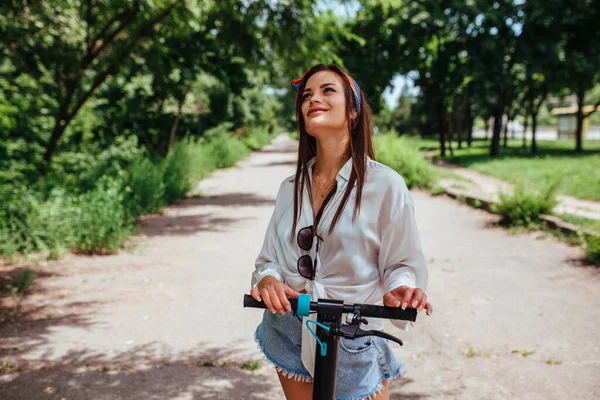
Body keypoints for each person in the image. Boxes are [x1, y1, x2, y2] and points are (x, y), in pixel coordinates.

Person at [249, 63, 432, 400]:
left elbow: (402, 264)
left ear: (352, 111)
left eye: (326, 90)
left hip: (352, 337)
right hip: (288, 329)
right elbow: (268, 260)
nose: (312, 99)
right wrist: (268, 280)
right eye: (307, 95)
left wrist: (401, 288)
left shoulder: (385, 185)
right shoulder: (290, 187)